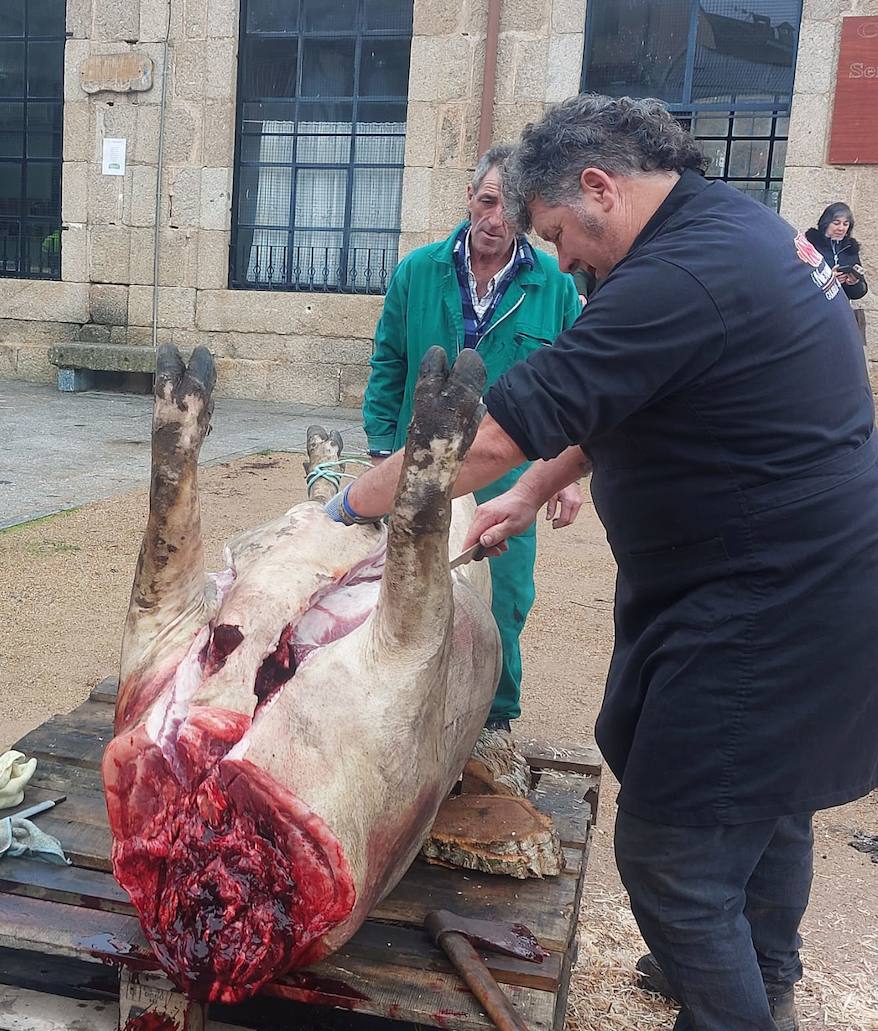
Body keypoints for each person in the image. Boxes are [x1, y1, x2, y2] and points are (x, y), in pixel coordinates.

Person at [329, 95, 878, 1031]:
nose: (561, 262)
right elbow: (635, 399)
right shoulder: (735, 228)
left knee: (674, 854)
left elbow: (493, 430)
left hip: (768, 597)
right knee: (771, 797)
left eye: (555, 234)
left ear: (598, 188)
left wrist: (344, 509)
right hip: (815, 573)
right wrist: (530, 496)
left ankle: (740, 1010)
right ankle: (765, 968)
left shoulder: (672, 279)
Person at [362, 144, 584, 733]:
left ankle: (494, 725)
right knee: (406, 591)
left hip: (507, 476)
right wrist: (382, 450)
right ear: (469, 196)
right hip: (421, 470)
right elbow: (388, 361)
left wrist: (563, 474)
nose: (495, 220)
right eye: (488, 201)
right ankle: (402, 719)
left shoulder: (553, 289)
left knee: (503, 601)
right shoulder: (418, 271)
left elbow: (576, 384)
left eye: (511, 209)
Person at [804, 202, 867, 301]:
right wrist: (828, 280)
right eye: (836, 223)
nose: (841, 228)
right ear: (825, 223)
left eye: (845, 224)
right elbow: (799, 284)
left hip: (840, 310)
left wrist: (853, 283)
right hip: (813, 309)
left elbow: (860, 292)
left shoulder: (850, 249)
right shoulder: (811, 246)